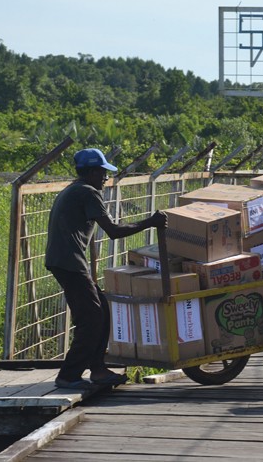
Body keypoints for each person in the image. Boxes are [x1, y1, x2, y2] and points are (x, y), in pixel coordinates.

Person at [46, 148, 168, 389]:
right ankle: (69, 375)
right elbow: (113, 231)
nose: (105, 178)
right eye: (102, 173)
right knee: (91, 317)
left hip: (66, 260)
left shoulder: (75, 189)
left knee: (101, 309)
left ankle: (99, 370)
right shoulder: (88, 193)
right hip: (69, 262)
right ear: (91, 172)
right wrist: (149, 223)